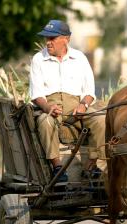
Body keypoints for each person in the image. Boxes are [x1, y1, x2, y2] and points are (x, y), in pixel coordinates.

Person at [29, 19, 105, 181]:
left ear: (66, 39)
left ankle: (91, 165)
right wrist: (47, 107)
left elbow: (90, 92)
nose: (48, 42)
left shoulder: (80, 58)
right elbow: (36, 94)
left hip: (77, 108)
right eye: (46, 39)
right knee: (45, 121)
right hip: (50, 108)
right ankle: (57, 167)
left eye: (52, 38)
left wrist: (83, 106)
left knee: (100, 119)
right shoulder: (38, 59)